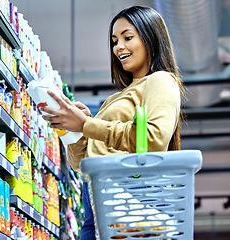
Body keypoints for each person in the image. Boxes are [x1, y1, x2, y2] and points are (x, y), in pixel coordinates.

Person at [40, 6, 185, 240]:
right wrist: (74, 131)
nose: (118, 47)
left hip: (133, 195)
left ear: (151, 38)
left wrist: (87, 125)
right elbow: (80, 164)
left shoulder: (160, 80)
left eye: (128, 37)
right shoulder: (114, 99)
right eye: (115, 41)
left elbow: (153, 139)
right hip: (94, 201)